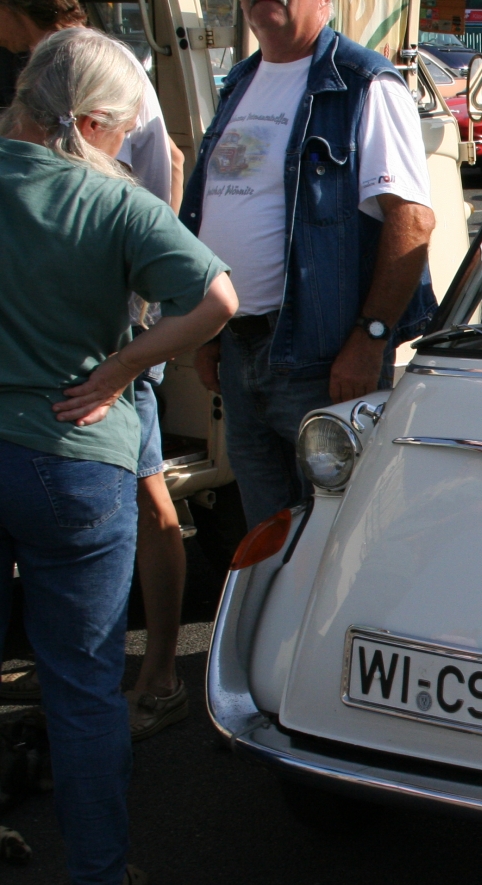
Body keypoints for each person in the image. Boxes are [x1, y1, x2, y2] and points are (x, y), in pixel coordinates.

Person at [1, 27, 237, 885]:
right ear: (97, 121)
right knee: (83, 678)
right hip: (73, 461)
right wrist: (117, 370)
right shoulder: (117, 205)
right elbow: (217, 300)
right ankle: (99, 878)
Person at [0, 0, 189, 737]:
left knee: (147, 498)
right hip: (90, 371)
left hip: (98, 360)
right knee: (130, 502)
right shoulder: (90, 77)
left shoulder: (95, 77)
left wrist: (134, 318)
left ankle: (160, 668)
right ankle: (107, 671)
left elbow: (165, 171)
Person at [180, 0, 436, 532]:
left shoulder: (365, 83)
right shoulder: (242, 81)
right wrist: (204, 335)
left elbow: (411, 222)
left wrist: (370, 338)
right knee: (267, 542)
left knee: (336, 538)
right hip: (237, 347)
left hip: (320, 362)